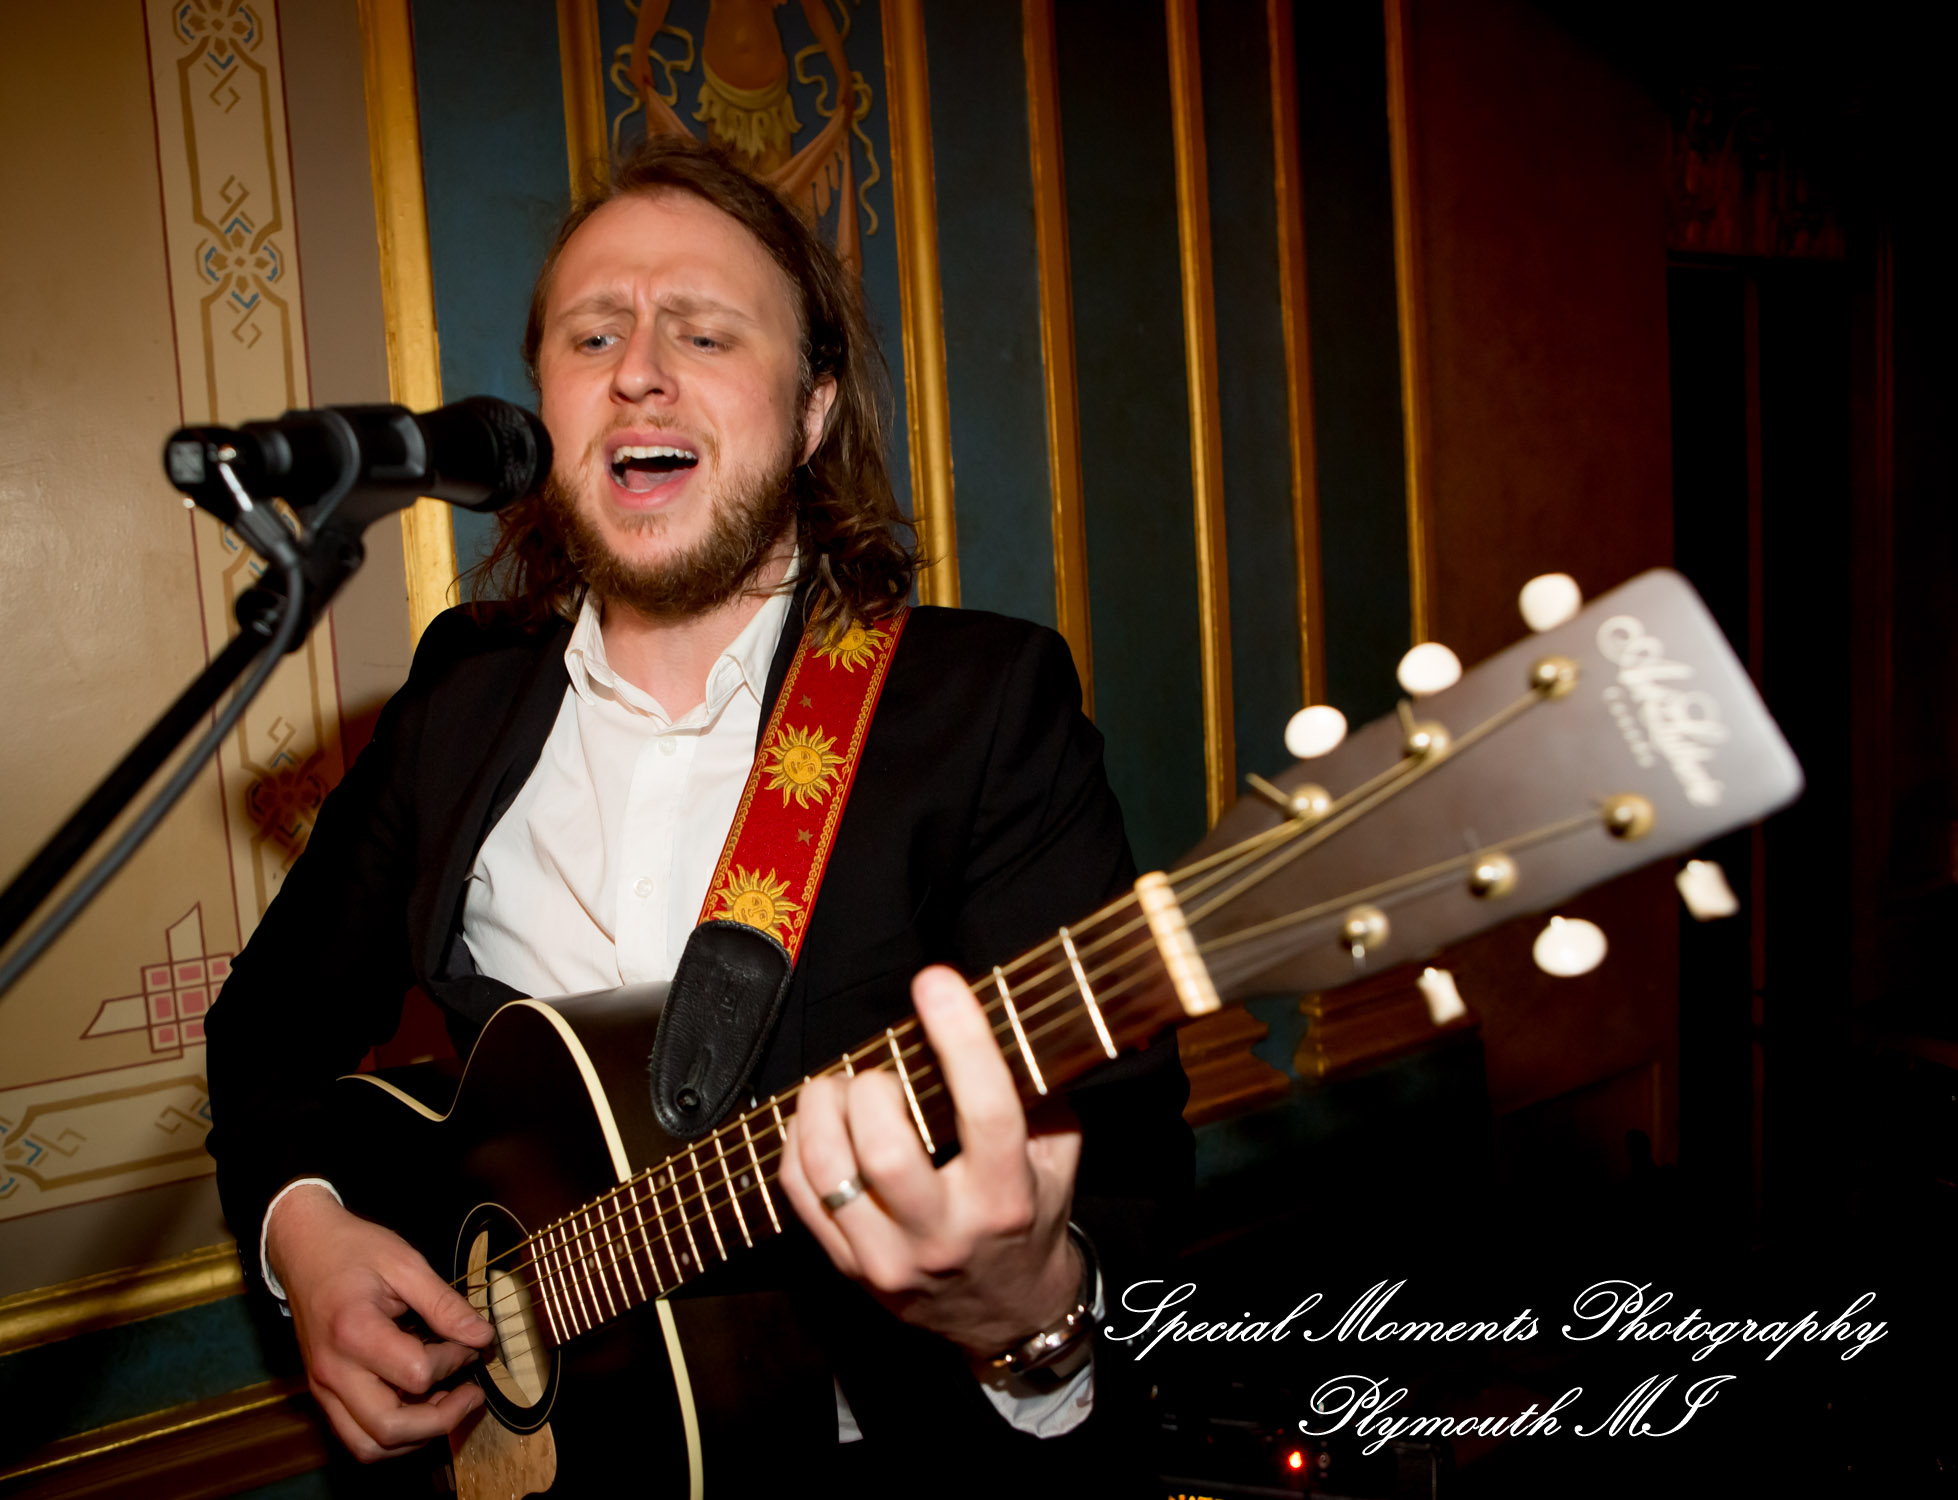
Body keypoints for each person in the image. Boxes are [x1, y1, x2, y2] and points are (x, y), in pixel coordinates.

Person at [205, 134, 1190, 1493]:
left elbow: (1129, 1177)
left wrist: (1028, 1318)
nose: (638, 368)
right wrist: (308, 1239)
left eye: (706, 332)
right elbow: (268, 1031)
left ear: (809, 413)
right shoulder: (458, 699)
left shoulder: (979, 707)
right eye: (591, 333)